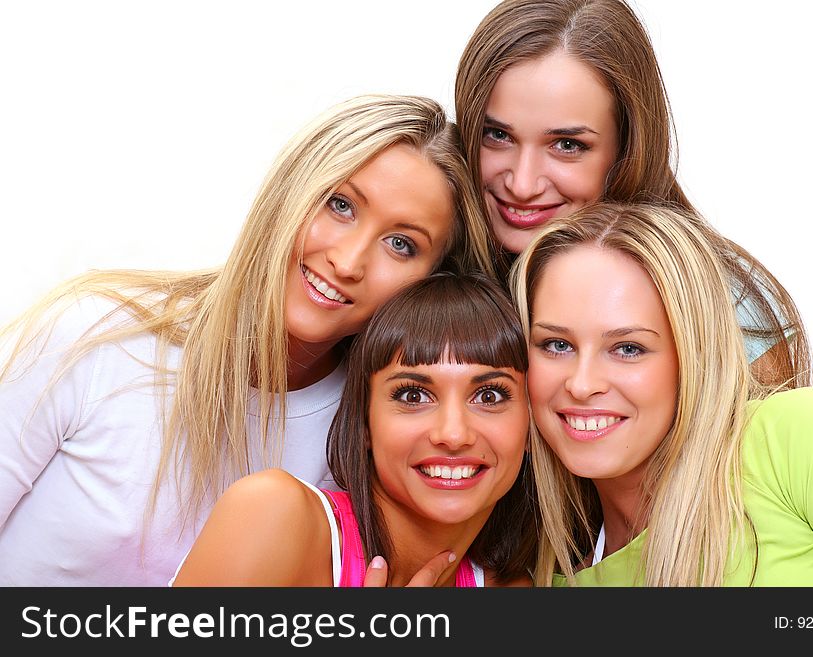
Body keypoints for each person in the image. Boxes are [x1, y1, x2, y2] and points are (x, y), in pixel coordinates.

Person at [0, 94, 494, 586]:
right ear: (288, 193)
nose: (348, 261)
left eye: (401, 244)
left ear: (432, 283)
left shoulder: (374, 436)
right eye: (339, 205)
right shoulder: (95, 335)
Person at [510, 202, 813, 586]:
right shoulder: (553, 583)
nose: (582, 384)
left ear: (693, 358)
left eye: (628, 349)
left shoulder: (794, 438)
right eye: (556, 345)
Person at [454, 0, 811, 389]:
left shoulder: (724, 308)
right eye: (498, 135)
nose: (522, 185)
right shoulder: (430, 262)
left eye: (568, 145)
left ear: (626, 150)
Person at [171, 272, 534, 587]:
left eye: (489, 395)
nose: (453, 434)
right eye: (413, 394)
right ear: (363, 421)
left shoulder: (512, 588)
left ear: (531, 423)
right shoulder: (275, 515)